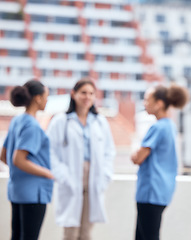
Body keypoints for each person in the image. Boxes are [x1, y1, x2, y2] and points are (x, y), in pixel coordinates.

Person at [46, 77, 115, 240]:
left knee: (86, 233)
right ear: (74, 94)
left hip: (94, 179)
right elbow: (50, 152)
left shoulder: (100, 122)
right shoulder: (60, 122)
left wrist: (105, 175)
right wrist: (62, 175)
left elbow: (109, 151)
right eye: (83, 93)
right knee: (70, 233)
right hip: (70, 179)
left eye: (91, 93)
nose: (87, 97)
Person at [131, 84, 189, 240]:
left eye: (147, 100)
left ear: (159, 103)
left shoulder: (157, 127)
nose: (144, 103)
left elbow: (138, 158)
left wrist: (135, 149)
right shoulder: (170, 125)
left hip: (151, 192)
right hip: (162, 191)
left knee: (146, 236)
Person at [0, 80, 53, 240]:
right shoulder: (32, 126)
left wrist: (20, 173)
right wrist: (48, 173)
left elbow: (4, 156)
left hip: (17, 190)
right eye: (46, 96)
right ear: (37, 98)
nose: (47, 100)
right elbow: (19, 160)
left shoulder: (17, 120)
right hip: (33, 193)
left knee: (16, 236)